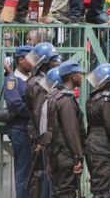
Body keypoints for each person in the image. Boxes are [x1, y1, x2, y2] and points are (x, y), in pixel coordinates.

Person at [42, 60, 85, 197]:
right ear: (72, 76)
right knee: (65, 192)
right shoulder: (66, 101)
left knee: (58, 192)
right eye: (79, 74)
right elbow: (71, 132)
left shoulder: (54, 96)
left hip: (56, 154)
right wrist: (78, 156)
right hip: (65, 156)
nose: (82, 76)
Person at [25, 42, 60, 198]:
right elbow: (40, 114)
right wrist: (43, 140)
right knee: (46, 177)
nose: (57, 63)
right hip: (43, 139)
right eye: (54, 60)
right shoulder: (41, 83)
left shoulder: (42, 80)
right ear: (45, 62)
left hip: (44, 138)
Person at [85, 63, 110, 198]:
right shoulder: (106, 99)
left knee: (98, 187)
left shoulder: (92, 98)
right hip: (103, 148)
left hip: (92, 146)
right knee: (103, 189)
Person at [3, 45, 34, 198]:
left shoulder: (34, 80)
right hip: (21, 130)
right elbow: (15, 104)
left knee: (35, 173)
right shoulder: (12, 80)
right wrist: (34, 114)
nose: (34, 62)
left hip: (33, 131)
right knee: (23, 173)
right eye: (31, 58)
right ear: (21, 60)